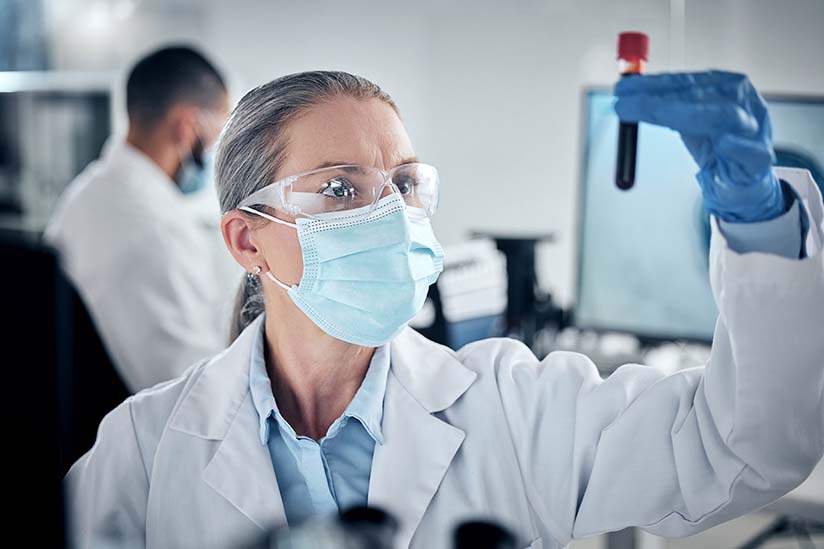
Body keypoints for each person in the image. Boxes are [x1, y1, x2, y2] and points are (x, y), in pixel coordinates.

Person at [65, 70, 824, 549]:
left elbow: (738, 445)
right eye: (339, 188)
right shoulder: (143, 449)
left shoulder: (511, 406)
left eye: (402, 183)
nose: (391, 214)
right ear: (248, 242)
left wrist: (760, 220)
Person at [46, 46, 232, 392]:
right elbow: (193, 388)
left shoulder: (85, 192)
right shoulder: (157, 227)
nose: (212, 155)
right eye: (216, 137)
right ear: (186, 127)